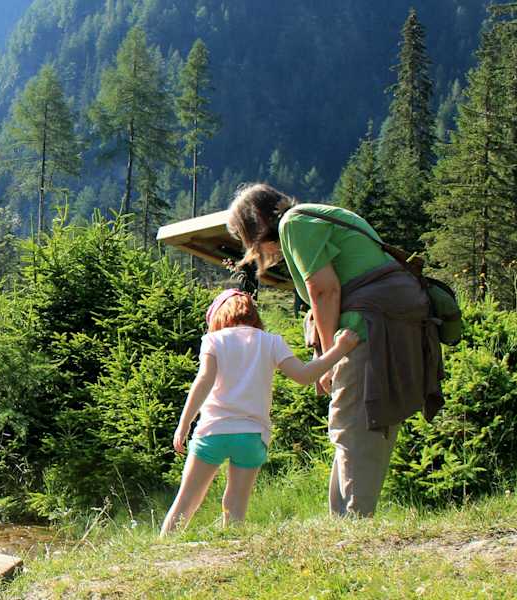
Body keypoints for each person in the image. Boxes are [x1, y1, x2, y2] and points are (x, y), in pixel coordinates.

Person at [226, 183, 442, 518]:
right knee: (356, 425)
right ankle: (343, 520)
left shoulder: (295, 224)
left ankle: (354, 522)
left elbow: (324, 291)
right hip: (386, 325)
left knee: (354, 424)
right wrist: (324, 354)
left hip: (368, 329)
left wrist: (328, 360)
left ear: (256, 222)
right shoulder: (313, 216)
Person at [160, 288, 359, 535]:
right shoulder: (271, 341)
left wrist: (184, 424)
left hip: (213, 431)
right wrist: (340, 348)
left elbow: (203, 382)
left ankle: (164, 548)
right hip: (252, 435)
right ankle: (231, 549)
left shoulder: (213, 340)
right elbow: (304, 375)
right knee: (236, 505)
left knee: (186, 501)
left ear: (218, 318)